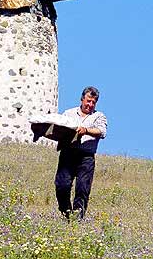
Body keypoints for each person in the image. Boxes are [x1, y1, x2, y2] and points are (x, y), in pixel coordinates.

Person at [54, 86, 107, 220]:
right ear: (82, 99)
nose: (90, 104)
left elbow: (101, 132)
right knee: (62, 185)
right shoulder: (68, 113)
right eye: (88, 101)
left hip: (86, 158)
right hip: (68, 154)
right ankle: (66, 214)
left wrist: (86, 130)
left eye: (93, 102)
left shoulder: (98, 116)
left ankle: (77, 219)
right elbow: (58, 127)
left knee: (83, 189)